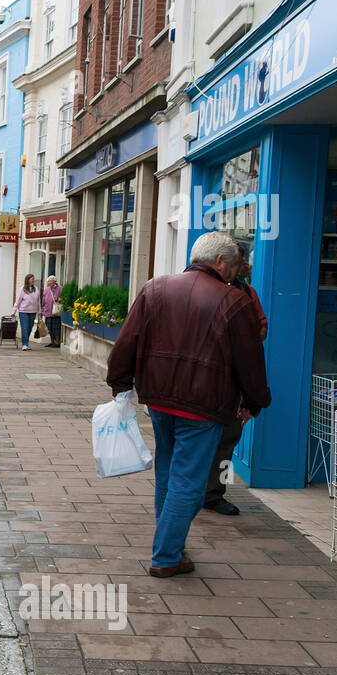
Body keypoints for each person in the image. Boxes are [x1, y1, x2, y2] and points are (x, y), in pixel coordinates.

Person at [107, 230, 271, 578]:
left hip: (160, 400)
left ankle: (172, 545)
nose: (237, 271)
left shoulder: (155, 289)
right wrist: (255, 402)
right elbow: (250, 360)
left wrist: (120, 384)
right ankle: (166, 556)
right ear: (220, 262)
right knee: (190, 481)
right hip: (203, 405)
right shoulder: (233, 301)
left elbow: (127, 340)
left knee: (168, 470)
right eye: (235, 264)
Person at [203, 246, 270, 516]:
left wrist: (245, 336)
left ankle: (214, 494)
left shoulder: (246, 292)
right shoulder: (196, 289)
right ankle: (187, 491)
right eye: (238, 262)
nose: (241, 267)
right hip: (196, 382)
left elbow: (262, 328)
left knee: (228, 440)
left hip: (230, 383)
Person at [14, 273, 41, 351]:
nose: (33, 280)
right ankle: (24, 344)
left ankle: (26, 343)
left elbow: (38, 300)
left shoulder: (36, 289)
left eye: (34, 279)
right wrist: (14, 311)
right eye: (32, 279)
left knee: (29, 328)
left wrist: (39, 311)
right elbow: (18, 300)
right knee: (25, 328)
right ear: (28, 280)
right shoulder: (22, 289)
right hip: (23, 312)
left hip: (33, 312)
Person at [41, 274, 63, 348]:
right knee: (49, 329)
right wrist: (43, 310)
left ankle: (57, 342)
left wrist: (59, 299)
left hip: (56, 313)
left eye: (51, 281)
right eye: (48, 282)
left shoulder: (60, 288)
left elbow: (63, 299)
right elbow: (43, 301)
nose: (49, 283)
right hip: (48, 312)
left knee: (56, 329)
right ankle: (52, 342)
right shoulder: (46, 290)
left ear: (55, 282)